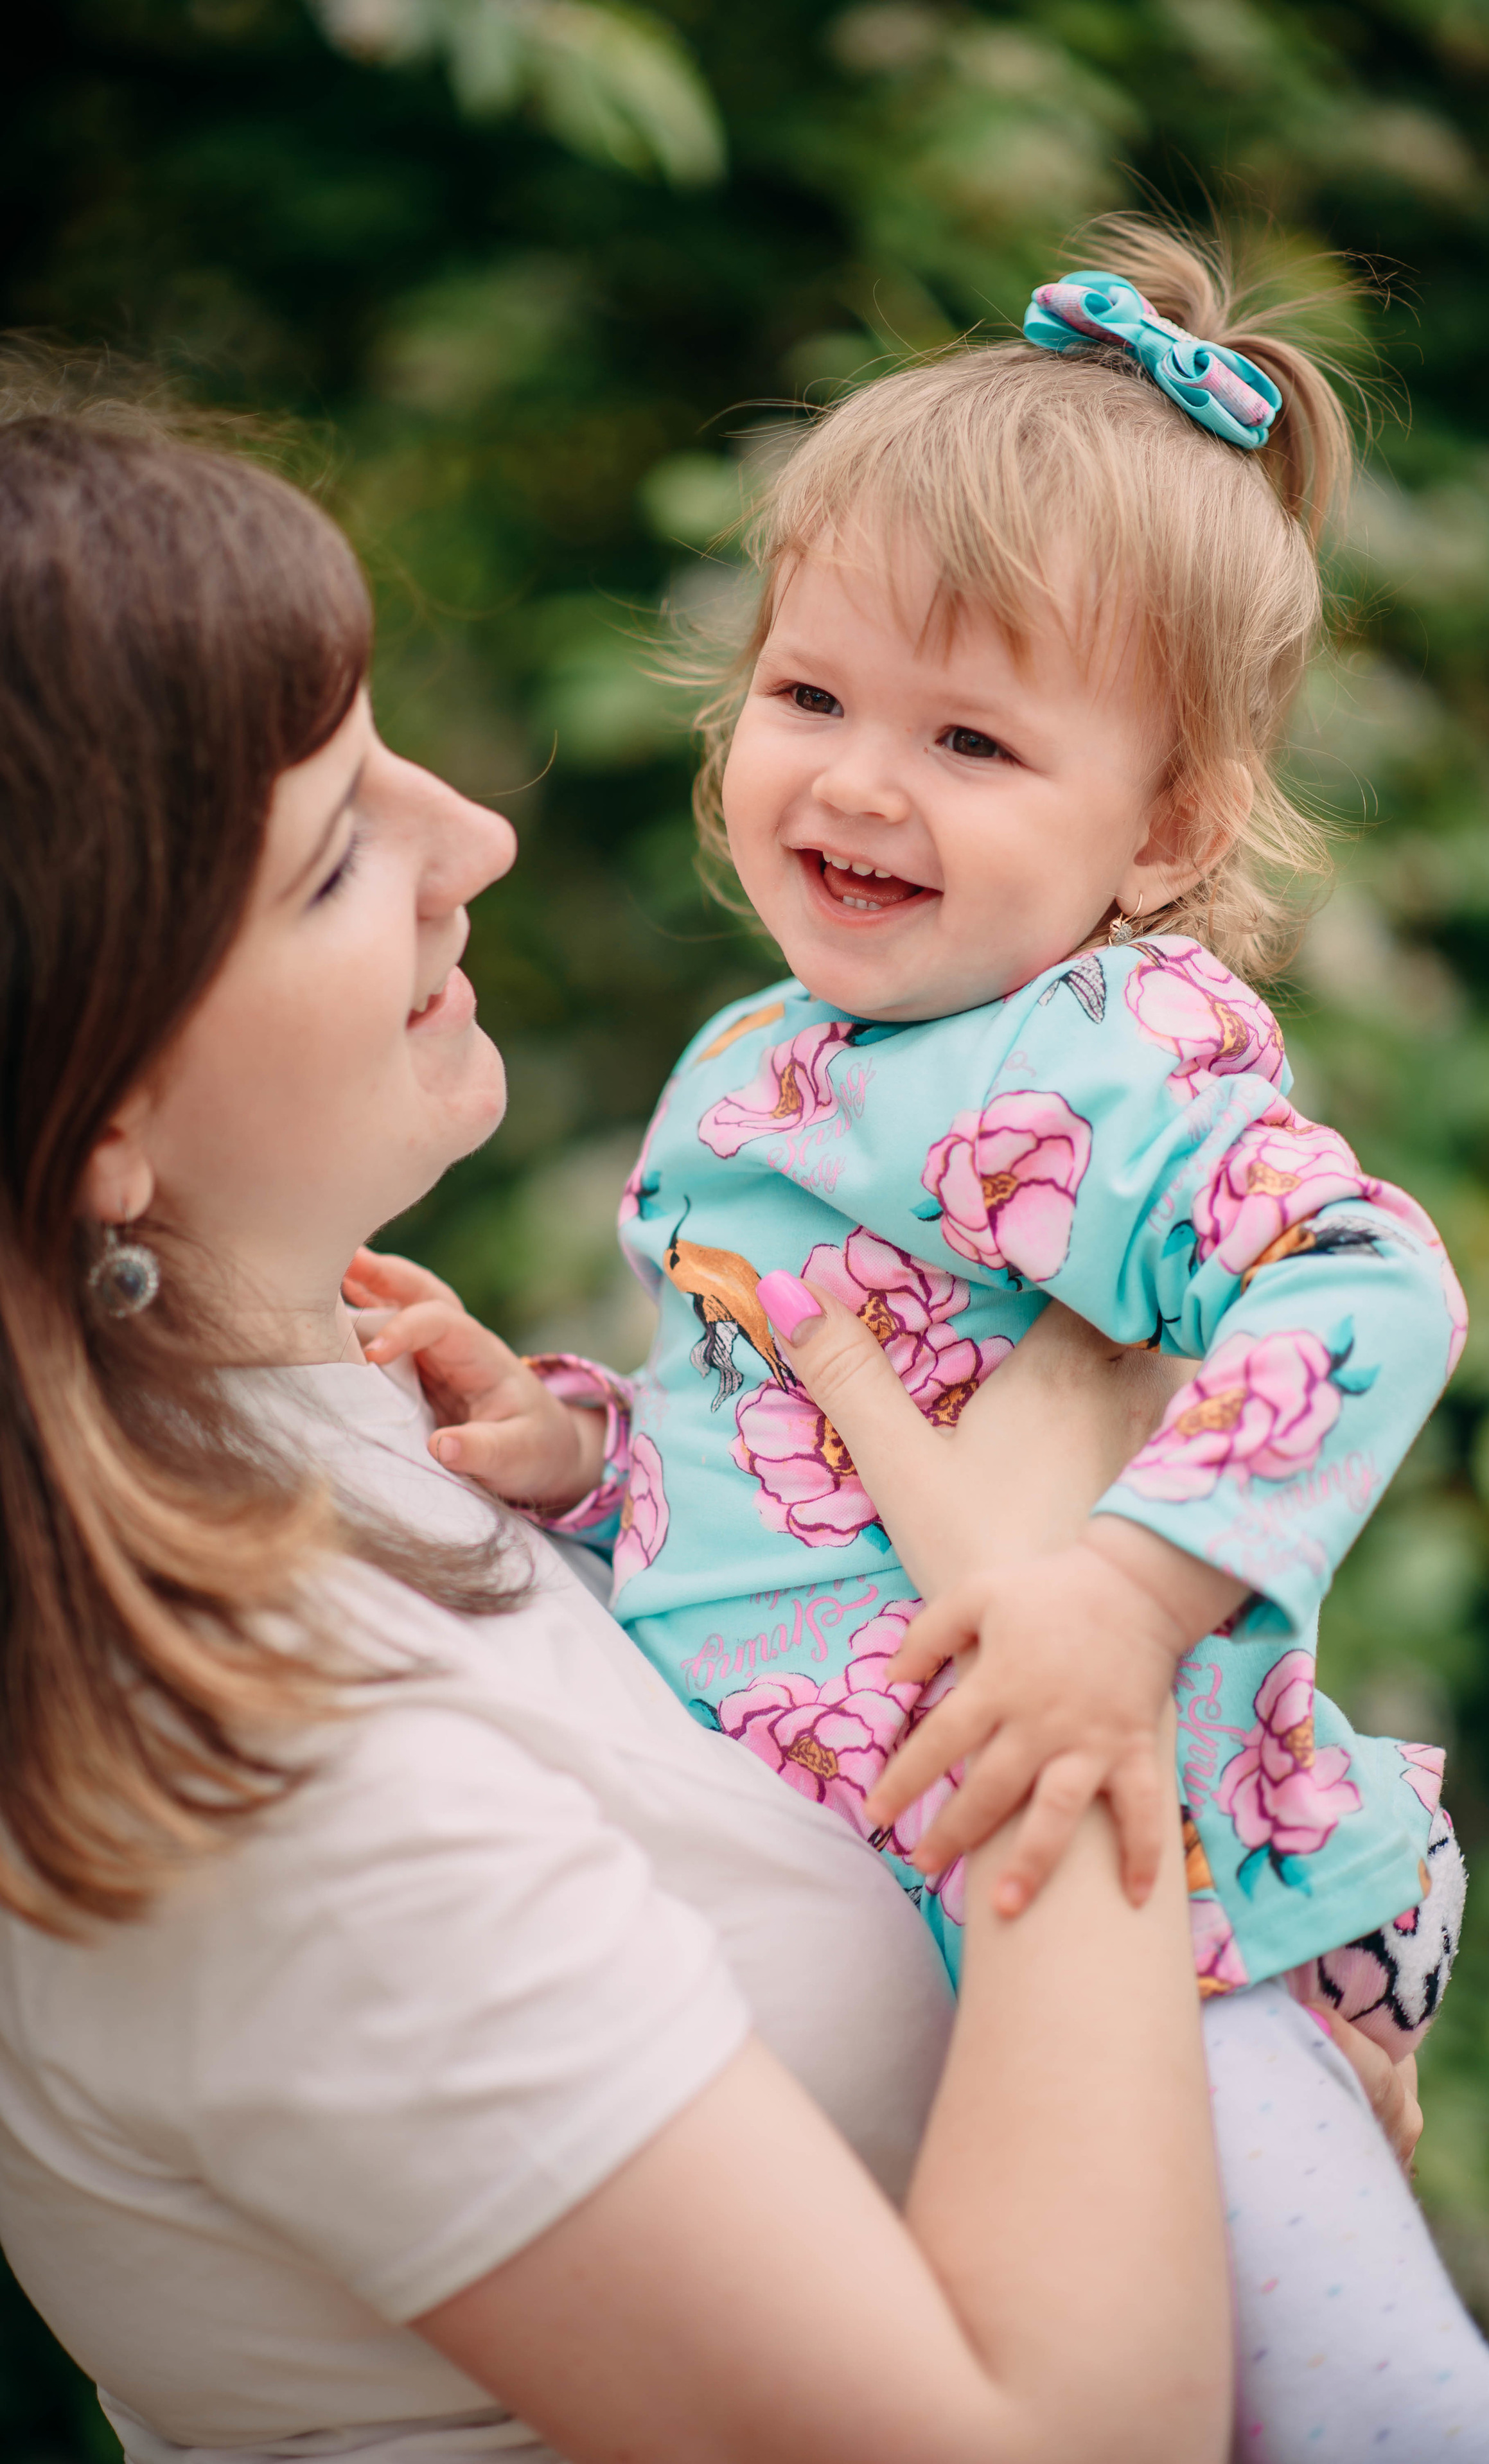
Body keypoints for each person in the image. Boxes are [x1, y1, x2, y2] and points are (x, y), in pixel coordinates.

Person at [350, 220, 1489, 2459]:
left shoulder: (1104, 1056)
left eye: (970, 737)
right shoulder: (774, 1053)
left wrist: (1124, 1596)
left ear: (1165, 826)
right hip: (933, 1941)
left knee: (1382, 2415)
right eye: (812, 696)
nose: (858, 782)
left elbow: (1370, 1282)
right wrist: (580, 1442)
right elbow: (790, 1436)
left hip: (1170, 1931)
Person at [0, 368, 1246, 2464]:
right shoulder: (252, 1778)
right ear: (101, 1101)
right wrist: (1059, 1661)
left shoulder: (336, 1416)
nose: (471, 834)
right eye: (329, 860)